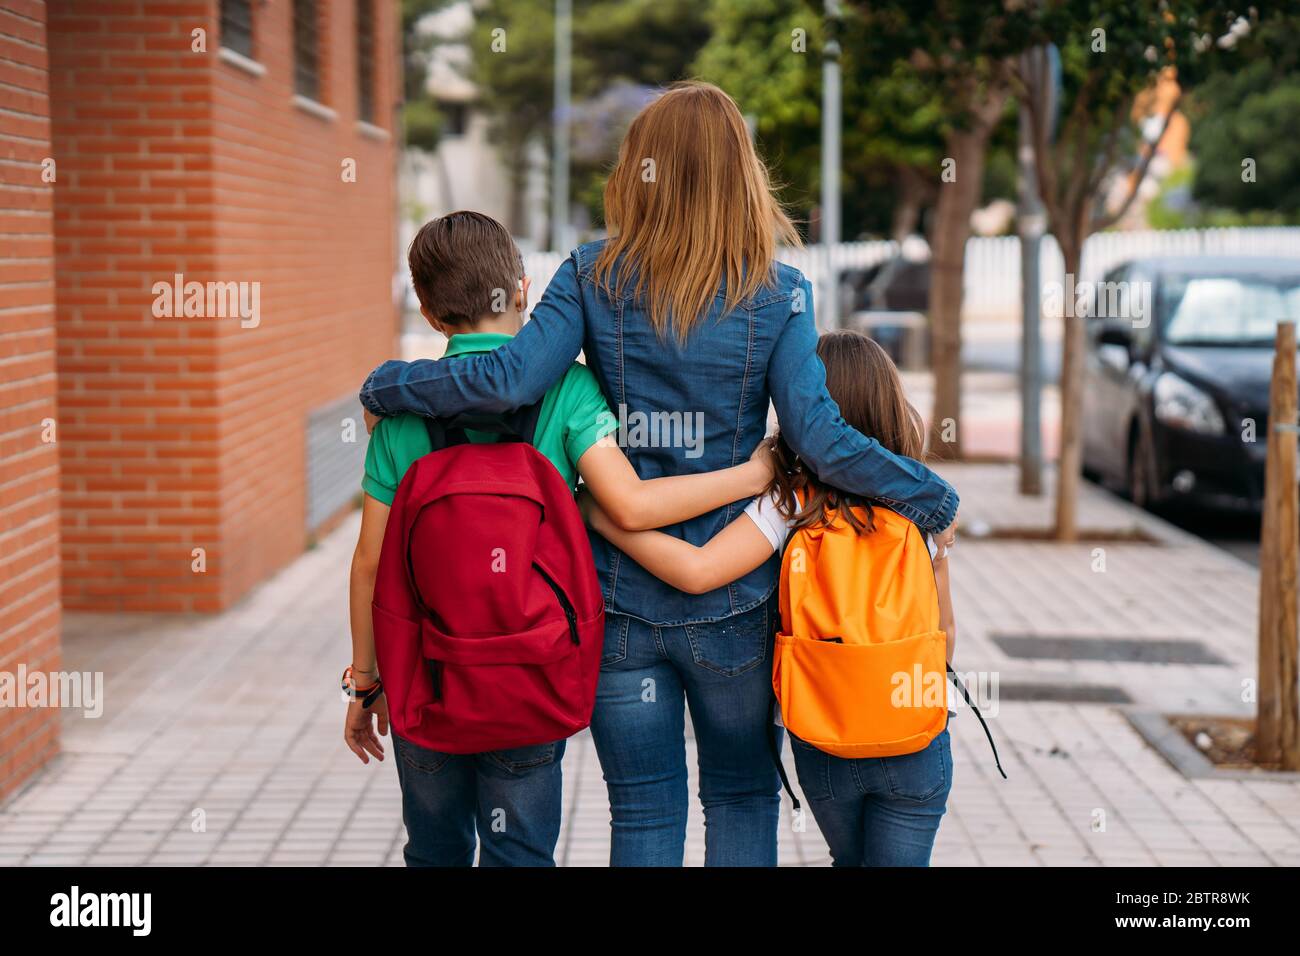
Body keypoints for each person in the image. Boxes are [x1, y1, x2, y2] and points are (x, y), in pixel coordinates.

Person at [358, 82, 958, 867]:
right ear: (741, 174)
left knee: (642, 812)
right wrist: (929, 497)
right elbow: (817, 434)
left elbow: (508, 379)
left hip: (619, 602)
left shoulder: (588, 274)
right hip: (738, 605)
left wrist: (386, 386)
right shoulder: (778, 293)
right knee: (740, 799)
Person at [344, 211, 773, 866]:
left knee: (433, 850)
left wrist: (365, 682)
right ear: (522, 290)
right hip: (527, 673)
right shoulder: (567, 391)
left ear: (428, 313)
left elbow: (371, 566)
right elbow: (632, 502)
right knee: (521, 853)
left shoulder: (403, 416)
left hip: (424, 678)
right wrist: (753, 475)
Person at [582, 330, 956, 866]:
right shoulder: (923, 511)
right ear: (893, 410)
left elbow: (698, 569)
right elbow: (944, 642)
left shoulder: (791, 502)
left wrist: (601, 515)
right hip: (914, 735)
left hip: (826, 738)